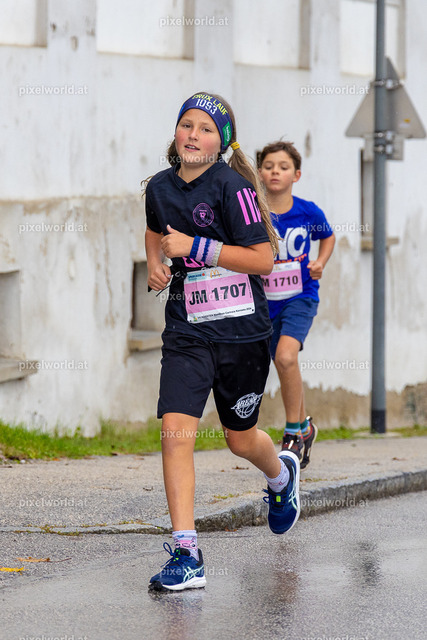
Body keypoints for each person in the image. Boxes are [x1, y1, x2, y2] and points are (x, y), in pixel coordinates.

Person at [144, 93, 301, 592]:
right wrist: (155, 263)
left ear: (223, 142)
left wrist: (196, 247)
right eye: (186, 125)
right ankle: (186, 551)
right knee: (175, 432)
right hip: (187, 331)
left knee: (239, 438)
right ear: (175, 133)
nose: (193, 134)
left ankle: (281, 475)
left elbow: (262, 260)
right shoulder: (159, 187)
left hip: (242, 334)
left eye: (206, 128)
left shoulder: (234, 187)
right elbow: (154, 229)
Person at [258, 141, 335, 468]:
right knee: (283, 363)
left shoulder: (307, 211)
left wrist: (320, 262)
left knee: (286, 356)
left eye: (283, 167)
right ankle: (305, 427)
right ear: (259, 172)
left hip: (300, 296)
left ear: (296, 175)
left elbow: (327, 236)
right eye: (269, 166)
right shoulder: (253, 212)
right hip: (264, 300)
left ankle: (292, 433)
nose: (275, 172)